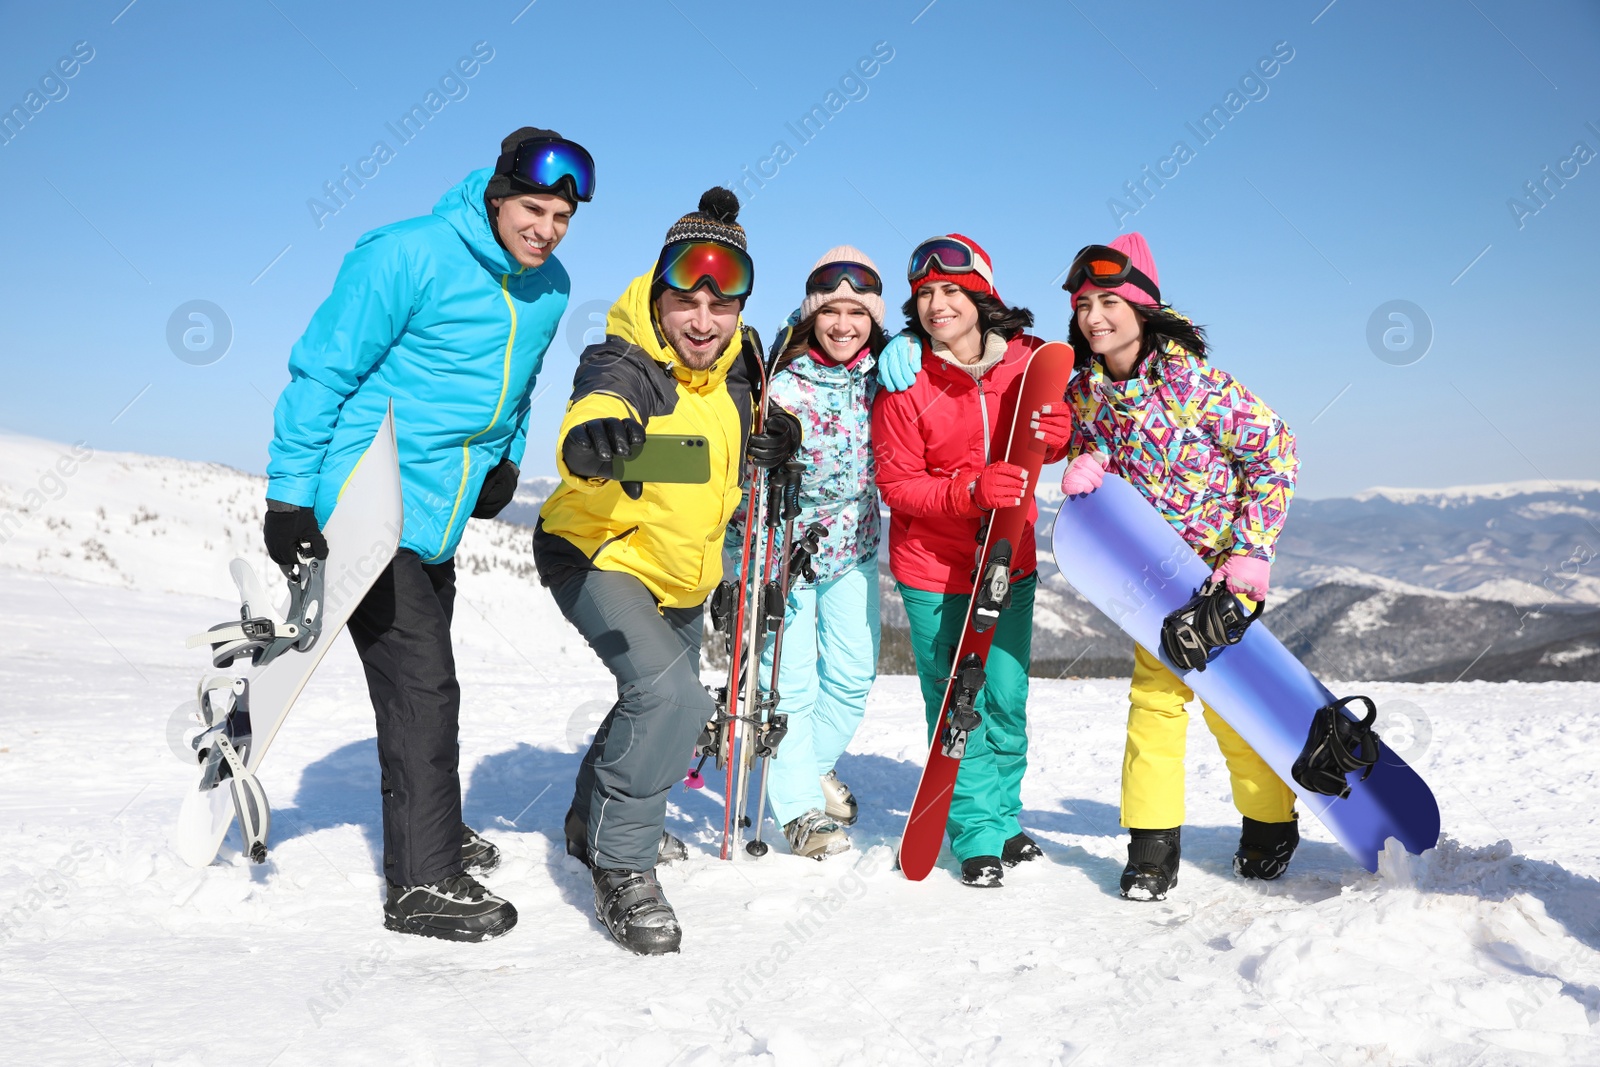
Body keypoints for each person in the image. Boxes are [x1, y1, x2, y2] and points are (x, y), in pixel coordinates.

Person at [264, 127, 594, 941]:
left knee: (422, 684)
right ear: (495, 194)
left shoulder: (550, 287)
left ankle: (432, 830)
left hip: (436, 516)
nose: (545, 227)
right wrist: (289, 497)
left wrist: (507, 461)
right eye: (532, 207)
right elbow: (323, 371)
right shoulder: (405, 254)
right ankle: (421, 881)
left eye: (561, 214)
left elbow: (520, 391)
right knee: (424, 685)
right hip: (364, 499)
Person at [534, 188, 802, 955]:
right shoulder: (629, 359)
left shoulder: (739, 362)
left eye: (722, 306)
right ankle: (623, 866)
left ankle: (591, 823)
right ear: (659, 296)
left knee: (663, 704)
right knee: (671, 695)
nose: (702, 321)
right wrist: (595, 439)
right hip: (598, 553)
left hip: (681, 569)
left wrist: (777, 433)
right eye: (686, 301)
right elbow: (598, 402)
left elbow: (755, 418)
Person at [1057, 232, 1301, 901]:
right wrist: (1090, 465)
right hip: (1152, 579)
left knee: (1232, 708)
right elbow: (1091, 446)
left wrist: (1251, 552)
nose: (1093, 316)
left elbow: (1275, 451)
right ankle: (1151, 844)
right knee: (1154, 705)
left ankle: (1271, 822)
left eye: (1108, 300)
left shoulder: (1195, 384)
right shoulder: (1089, 391)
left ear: (1143, 307)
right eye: (1083, 304)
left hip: (1220, 580)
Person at [871, 234, 1074, 888]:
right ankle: (975, 830)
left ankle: (1003, 815)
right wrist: (969, 491)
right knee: (958, 704)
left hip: (1007, 561)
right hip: (935, 568)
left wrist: (1062, 435)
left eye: (951, 290)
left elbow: (1053, 428)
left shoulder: (1025, 363)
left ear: (982, 294)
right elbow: (898, 485)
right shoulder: (906, 380)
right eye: (925, 294)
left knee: (1008, 698)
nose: (937, 304)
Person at [733, 246, 888, 860]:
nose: (843, 324)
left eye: (857, 311)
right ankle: (797, 810)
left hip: (855, 544)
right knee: (790, 686)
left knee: (853, 675)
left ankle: (805, 766)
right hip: (783, 546)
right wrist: (760, 446)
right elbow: (737, 463)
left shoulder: (886, 373)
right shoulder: (777, 378)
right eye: (831, 310)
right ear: (811, 315)